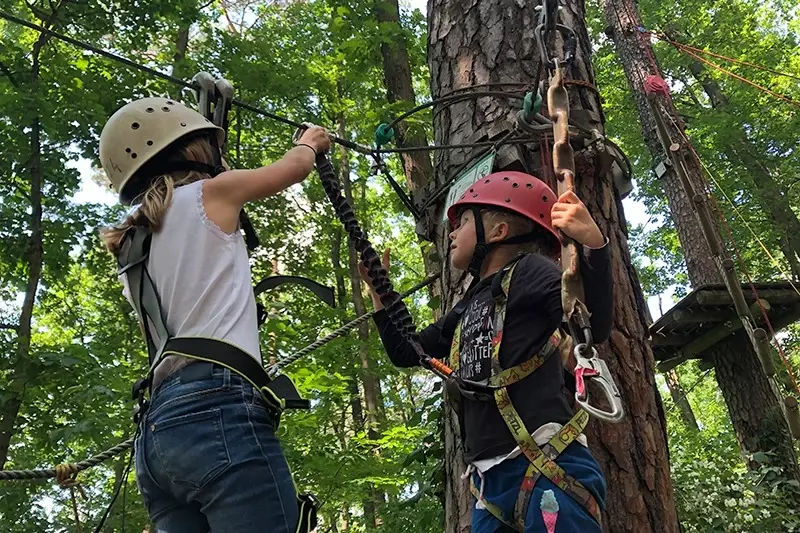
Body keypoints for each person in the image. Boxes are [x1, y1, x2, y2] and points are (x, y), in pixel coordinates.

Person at [98, 96, 330, 533]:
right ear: (193, 149)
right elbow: (294, 168)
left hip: (157, 436)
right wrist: (310, 143)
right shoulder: (211, 194)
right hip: (217, 410)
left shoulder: (130, 246)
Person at [361, 171, 613, 532]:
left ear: (498, 232)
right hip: (489, 485)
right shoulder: (468, 305)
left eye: (463, 222)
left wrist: (592, 245)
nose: (451, 233)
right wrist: (380, 295)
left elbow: (590, 322)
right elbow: (408, 351)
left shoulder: (530, 270)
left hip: (549, 461)